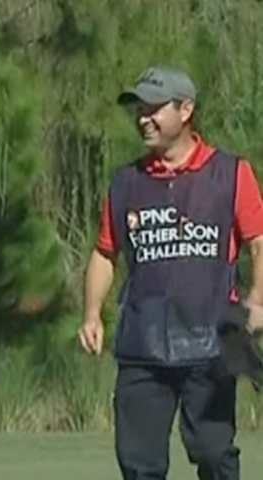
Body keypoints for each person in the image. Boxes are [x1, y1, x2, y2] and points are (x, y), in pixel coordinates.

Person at [78, 65, 263, 480]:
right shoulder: (125, 182)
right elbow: (105, 252)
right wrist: (91, 315)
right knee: (138, 464)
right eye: (139, 110)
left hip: (214, 342)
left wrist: (257, 300)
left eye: (153, 109)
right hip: (142, 344)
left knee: (214, 454)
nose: (143, 119)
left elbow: (259, 242)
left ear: (186, 110)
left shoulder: (231, 173)